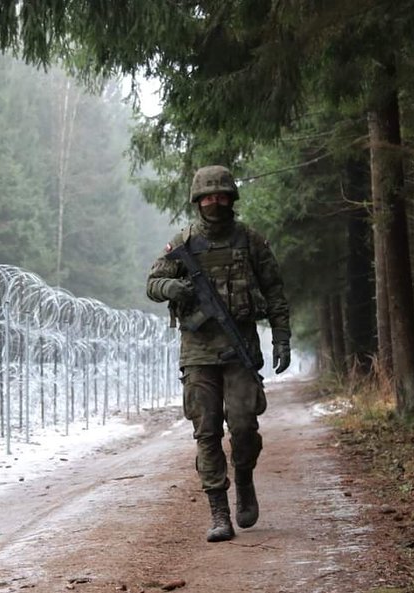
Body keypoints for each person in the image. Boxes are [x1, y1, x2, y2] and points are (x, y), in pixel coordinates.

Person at [146, 165, 291, 542]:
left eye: (221, 195)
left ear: (231, 198)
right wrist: (172, 288)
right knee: (206, 430)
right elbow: (152, 283)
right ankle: (218, 512)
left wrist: (281, 339)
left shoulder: (251, 242)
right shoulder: (184, 243)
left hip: (239, 350)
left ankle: (243, 477)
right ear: (198, 201)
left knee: (243, 425)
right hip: (197, 353)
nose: (215, 202)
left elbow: (274, 293)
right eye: (208, 196)